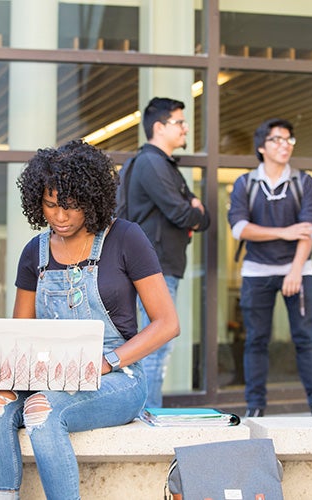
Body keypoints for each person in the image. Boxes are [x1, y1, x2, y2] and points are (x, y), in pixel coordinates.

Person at [0, 139, 179, 500]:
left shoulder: (126, 239)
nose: (59, 216)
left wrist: (106, 362)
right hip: (49, 374)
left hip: (119, 375)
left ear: (92, 199)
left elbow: (167, 323)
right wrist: (5, 368)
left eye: (71, 206)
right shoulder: (34, 253)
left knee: (42, 410)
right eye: (51, 204)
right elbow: (20, 334)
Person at [228, 118, 312, 417]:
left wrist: (295, 271)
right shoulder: (246, 183)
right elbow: (239, 228)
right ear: (261, 147)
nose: (285, 145)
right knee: (256, 340)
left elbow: (307, 231)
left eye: (289, 140)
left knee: (305, 339)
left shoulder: (304, 182)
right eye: (277, 140)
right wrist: (284, 232)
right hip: (256, 271)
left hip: (298, 270)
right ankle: (255, 407)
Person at [126, 97, 210, 408]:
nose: (186, 127)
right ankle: (149, 421)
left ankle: (147, 417)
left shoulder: (164, 166)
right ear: (159, 127)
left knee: (156, 346)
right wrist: (194, 209)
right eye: (179, 122)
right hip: (154, 267)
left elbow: (201, 215)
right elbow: (184, 213)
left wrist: (195, 210)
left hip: (161, 266)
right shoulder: (151, 163)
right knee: (154, 347)